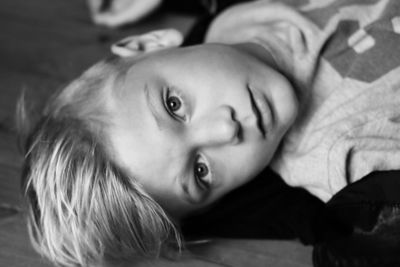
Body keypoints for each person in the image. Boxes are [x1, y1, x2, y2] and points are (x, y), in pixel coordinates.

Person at [19, 0, 400, 266]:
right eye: (201, 171)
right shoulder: (347, 155)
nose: (225, 129)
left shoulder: (236, 17)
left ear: (148, 44)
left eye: (174, 105)